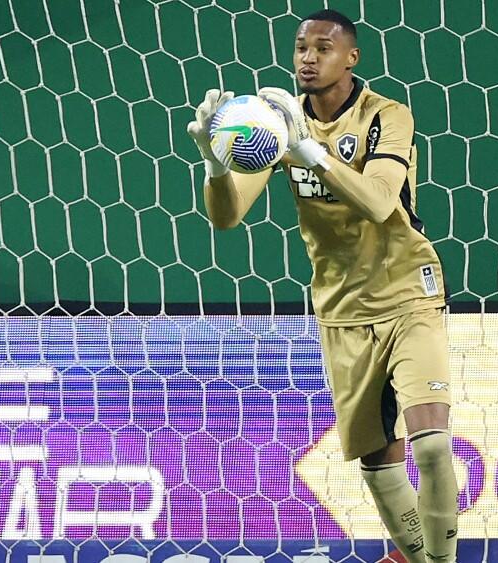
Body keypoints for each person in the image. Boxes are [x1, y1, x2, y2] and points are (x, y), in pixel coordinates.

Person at [186, 9, 459, 563]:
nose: (308, 58)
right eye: (300, 48)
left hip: (409, 291)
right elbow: (227, 216)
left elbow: (382, 201)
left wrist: (311, 150)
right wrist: (215, 165)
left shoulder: (387, 115)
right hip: (341, 309)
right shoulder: (276, 126)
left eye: (323, 48)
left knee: (430, 443)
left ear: (351, 57)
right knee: (379, 464)